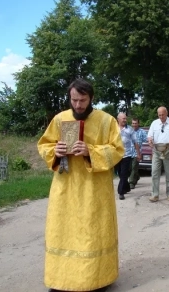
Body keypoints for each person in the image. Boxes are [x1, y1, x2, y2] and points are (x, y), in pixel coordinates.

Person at [37, 79, 125, 292]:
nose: (77, 105)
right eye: (74, 100)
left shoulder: (106, 121)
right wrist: (54, 152)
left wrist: (90, 151)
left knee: (92, 232)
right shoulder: (60, 119)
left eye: (82, 100)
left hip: (94, 189)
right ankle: (61, 278)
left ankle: (96, 278)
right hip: (65, 188)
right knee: (63, 230)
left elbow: (117, 150)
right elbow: (44, 145)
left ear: (91, 98)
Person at [147, 106, 169, 202]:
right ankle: (155, 195)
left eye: (163, 114)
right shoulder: (154, 123)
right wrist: (150, 140)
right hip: (156, 150)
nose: (161, 117)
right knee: (154, 173)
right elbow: (149, 136)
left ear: (167, 113)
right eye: (159, 115)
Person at [116, 113, 141, 200]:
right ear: (118, 119)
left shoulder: (130, 129)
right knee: (119, 173)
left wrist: (138, 154)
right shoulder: (114, 128)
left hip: (127, 155)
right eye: (123, 119)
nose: (125, 120)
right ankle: (126, 187)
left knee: (124, 174)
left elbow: (135, 142)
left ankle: (121, 192)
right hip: (116, 155)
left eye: (125, 119)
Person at [128, 117, 147, 190]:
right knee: (129, 168)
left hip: (137, 152)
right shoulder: (128, 131)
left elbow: (146, 139)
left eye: (136, 123)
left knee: (134, 167)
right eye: (133, 123)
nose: (134, 125)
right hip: (129, 153)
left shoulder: (142, 132)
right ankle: (137, 176)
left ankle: (131, 183)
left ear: (138, 124)